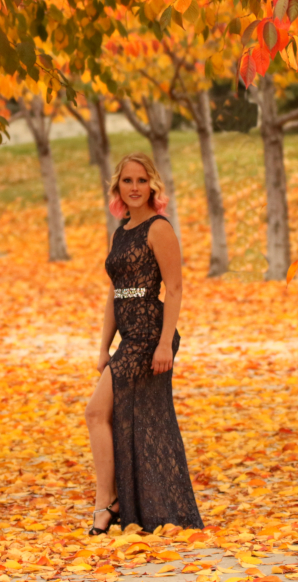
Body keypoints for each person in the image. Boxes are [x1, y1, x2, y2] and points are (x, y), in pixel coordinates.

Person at [85, 152, 204, 535]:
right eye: (127, 181)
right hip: (128, 338)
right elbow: (115, 295)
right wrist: (103, 347)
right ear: (117, 187)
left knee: (95, 412)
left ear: (151, 184)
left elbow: (176, 287)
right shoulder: (120, 232)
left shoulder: (159, 229)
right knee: (125, 418)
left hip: (151, 337)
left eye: (141, 180)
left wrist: (165, 344)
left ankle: (107, 504)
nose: (134, 188)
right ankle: (125, 503)